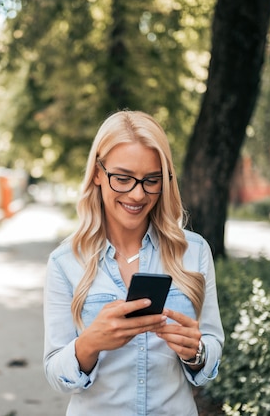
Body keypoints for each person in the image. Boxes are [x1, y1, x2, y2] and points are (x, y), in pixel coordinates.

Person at [43, 110, 224, 415]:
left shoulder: (193, 251)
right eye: (123, 178)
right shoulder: (65, 262)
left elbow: (212, 344)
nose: (138, 194)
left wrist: (197, 352)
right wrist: (88, 344)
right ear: (98, 173)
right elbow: (55, 374)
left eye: (151, 180)